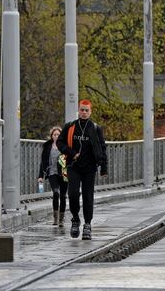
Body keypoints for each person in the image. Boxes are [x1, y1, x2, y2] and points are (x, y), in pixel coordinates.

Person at [58, 99, 108, 240]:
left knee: (88, 196)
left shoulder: (96, 128)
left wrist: (103, 167)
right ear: (78, 111)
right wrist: (71, 153)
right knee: (73, 194)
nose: (84, 112)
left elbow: (102, 148)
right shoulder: (70, 126)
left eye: (87, 110)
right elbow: (60, 142)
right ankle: (75, 219)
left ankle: (87, 224)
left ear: (90, 112)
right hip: (73, 166)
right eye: (82, 110)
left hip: (90, 168)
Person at [37, 126, 67, 227]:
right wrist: (40, 176)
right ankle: (55, 218)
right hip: (52, 173)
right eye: (55, 135)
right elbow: (43, 162)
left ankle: (61, 219)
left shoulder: (65, 146)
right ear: (51, 136)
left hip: (63, 174)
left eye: (58, 135)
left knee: (63, 196)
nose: (56, 136)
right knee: (56, 193)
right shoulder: (48, 146)